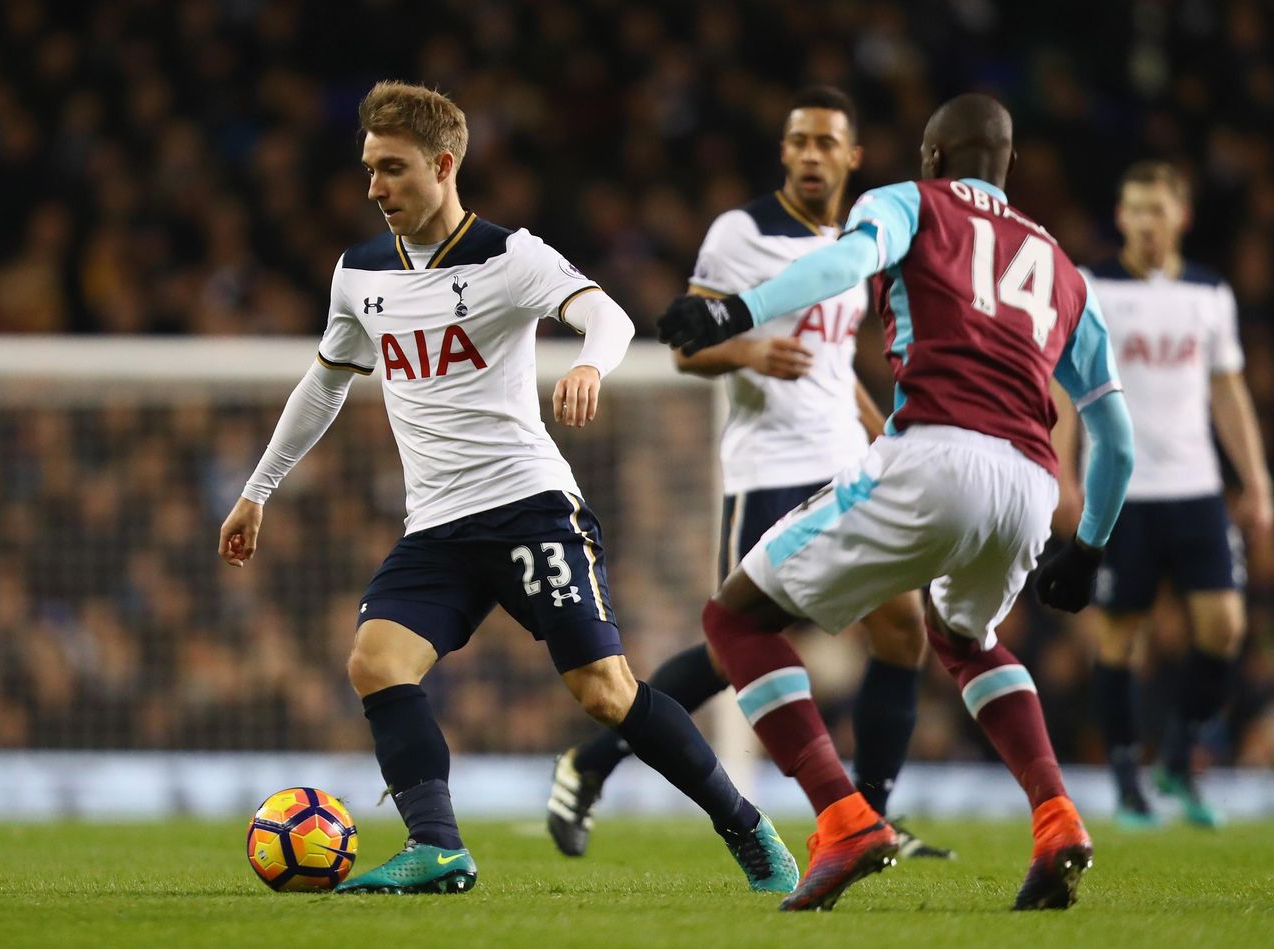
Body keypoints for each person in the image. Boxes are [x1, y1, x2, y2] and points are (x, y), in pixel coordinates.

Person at [218, 80, 797, 897]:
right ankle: (436, 846)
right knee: (377, 662)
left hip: (529, 507)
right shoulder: (359, 273)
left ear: (443, 165)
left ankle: (745, 825)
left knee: (604, 693)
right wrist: (258, 489)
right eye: (369, 168)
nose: (375, 187)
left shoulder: (509, 256)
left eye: (392, 168)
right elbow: (325, 383)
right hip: (436, 525)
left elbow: (609, 316)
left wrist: (590, 364)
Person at [657, 93, 1135, 912]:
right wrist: (1088, 546)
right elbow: (1117, 437)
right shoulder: (1062, 267)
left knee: (735, 620)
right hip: (1030, 481)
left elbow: (842, 267)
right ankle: (1057, 817)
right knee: (965, 638)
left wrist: (732, 311)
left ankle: (843, 817)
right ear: (1008, 166)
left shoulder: (908, 201)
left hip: (933, 453)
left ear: (932, 158)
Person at [547, 86, 950, 862]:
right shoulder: (742, 233)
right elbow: (686, 346)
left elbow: (835, 366)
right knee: (735, 649)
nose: (810, 155)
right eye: (799, 141)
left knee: (904, 628)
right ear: (784, 152)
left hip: (845, 464)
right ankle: (590, 762)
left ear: (853, 157)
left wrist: (886, 437)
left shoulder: (858, 242)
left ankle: (873, 811)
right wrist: (751, 350)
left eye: (826, 142)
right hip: (769, 467)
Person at [1055, 161, 1274, 828]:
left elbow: (1227, 390)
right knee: (1120, 637)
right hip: (1120, 489)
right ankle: (1128, 781)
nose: (1146, 222)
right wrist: (1063, 472)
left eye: (1158, 209)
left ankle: (1177, 760)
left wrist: (1256, 478)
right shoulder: (1091, 286)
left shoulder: (1209, 292)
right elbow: (1064, 383)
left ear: (1181, 216)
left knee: (1225, 626)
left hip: (1196, 485)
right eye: (1135, 209)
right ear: (1120, 218)